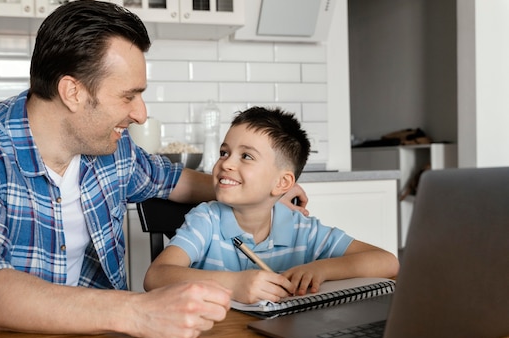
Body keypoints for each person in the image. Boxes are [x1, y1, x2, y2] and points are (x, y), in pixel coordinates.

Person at [0, 0, 307, 338]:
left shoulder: (110, 152)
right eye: (128, 95)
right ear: (73, 92)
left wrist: (259, 190)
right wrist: (137, 312)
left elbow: (175, 181)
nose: (140, 113)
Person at [144, 107, 399, 304]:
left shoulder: (302, 229)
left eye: (246, 156)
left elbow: (387, 262)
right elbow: (156, 277)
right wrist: (233, 284)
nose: (226, 164)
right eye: (224, 152)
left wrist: (320, 269)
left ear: (281, 183)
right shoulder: (206, 220)